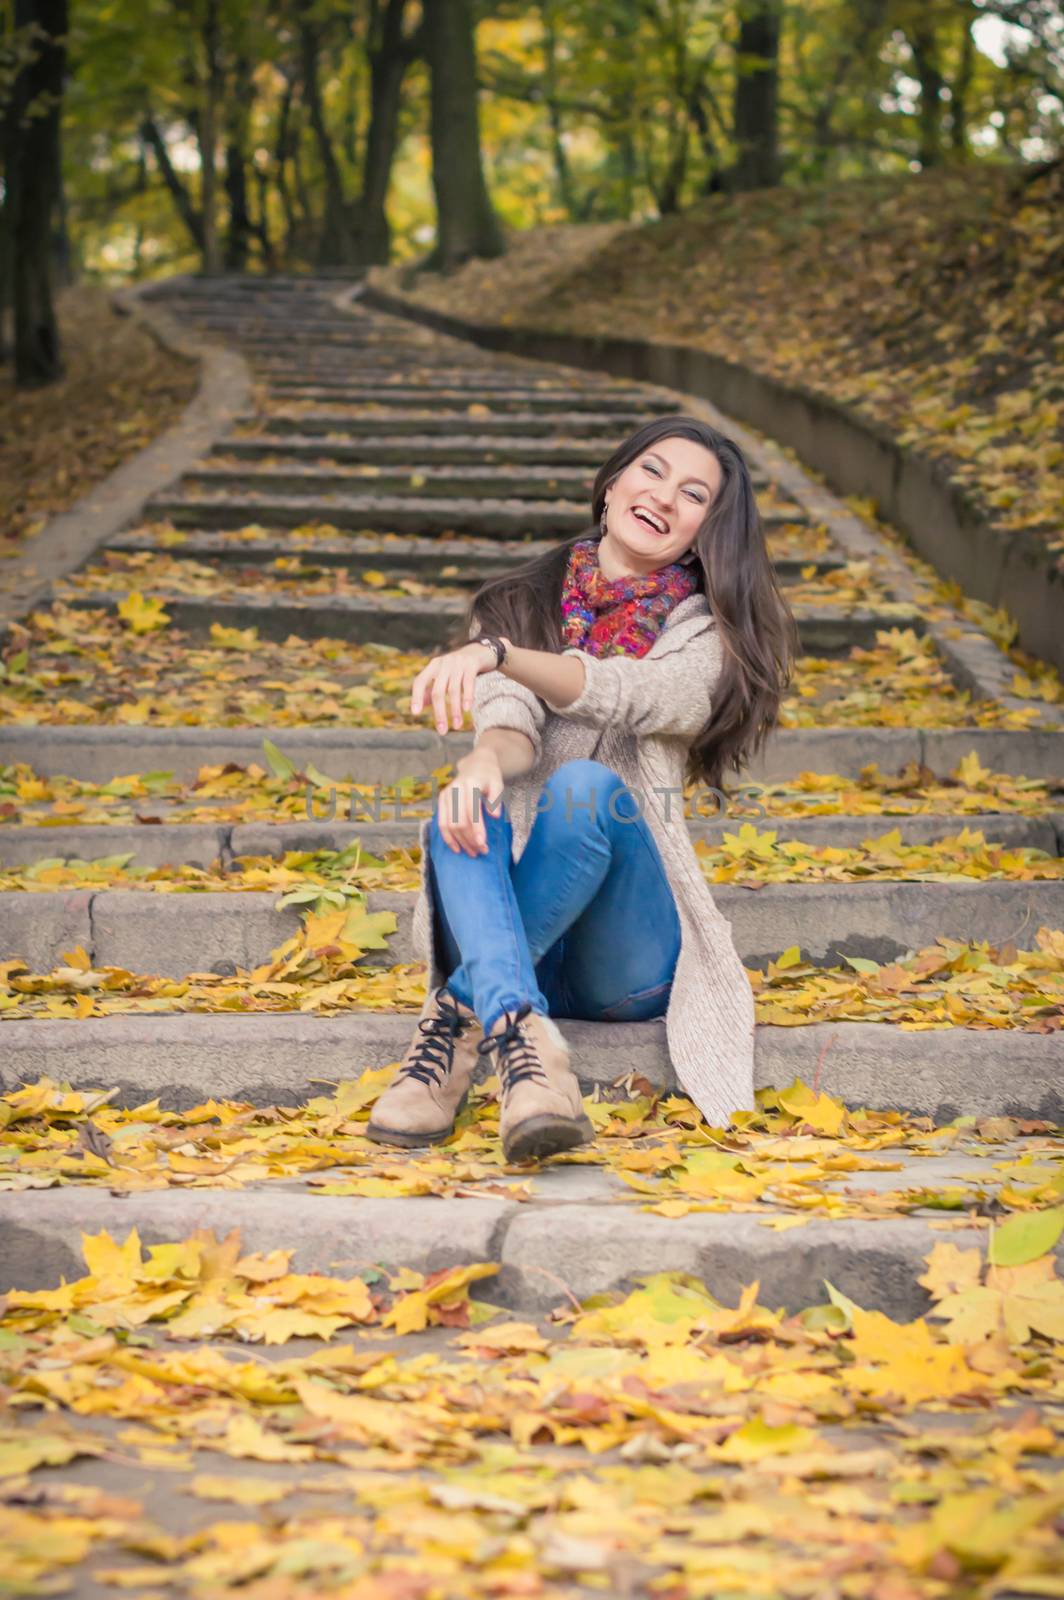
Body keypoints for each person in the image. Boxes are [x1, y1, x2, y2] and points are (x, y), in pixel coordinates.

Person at [367, 415, 797, 1163]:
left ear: (703, 531)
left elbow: (624, 691)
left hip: (620, 961)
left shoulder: (708, 638)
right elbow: (510, 724)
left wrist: (498, 655)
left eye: (692, 494)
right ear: (612, 483)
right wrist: (479, 766)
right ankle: (528, 1053)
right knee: (465, 804)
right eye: (653, 471)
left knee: (587, 789)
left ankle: (456, 1018)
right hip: (512, 931)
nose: (664, 496)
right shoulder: (518, 600)